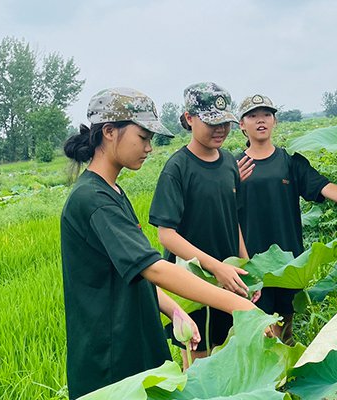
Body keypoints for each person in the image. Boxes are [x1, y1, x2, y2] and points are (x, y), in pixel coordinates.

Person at [60, 87, 258, 399]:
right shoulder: (93, 199)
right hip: (112, 358)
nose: (149, 148)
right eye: (143, 137)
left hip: (135, 339)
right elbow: (155, 269)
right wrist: (241, 306)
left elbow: (133, 267)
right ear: (110, 132)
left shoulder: (113, 192)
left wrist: (173, 309)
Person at [236, 94, 337, 342]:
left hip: (287, 258)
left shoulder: (289, 161)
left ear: (274, 121)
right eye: (253, 116)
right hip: (251, 260)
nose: (261, 120)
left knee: (285, 328)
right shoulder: (234, 165)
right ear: (241, 125)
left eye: (267, 115)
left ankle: (287, 373)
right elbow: (218, 208)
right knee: (261, 332)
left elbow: (323, 186)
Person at [149, 82, 252, 365]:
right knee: (198, 359)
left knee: (230, 353)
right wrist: (214, 266)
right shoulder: (178, 168)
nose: (220, 130)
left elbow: (235, 220)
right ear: (189, 118)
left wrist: (247, 267)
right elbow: (166, 236)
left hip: (229, 276)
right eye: (211, 122)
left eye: (225, 123)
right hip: (191, 280)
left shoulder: (230, 162)